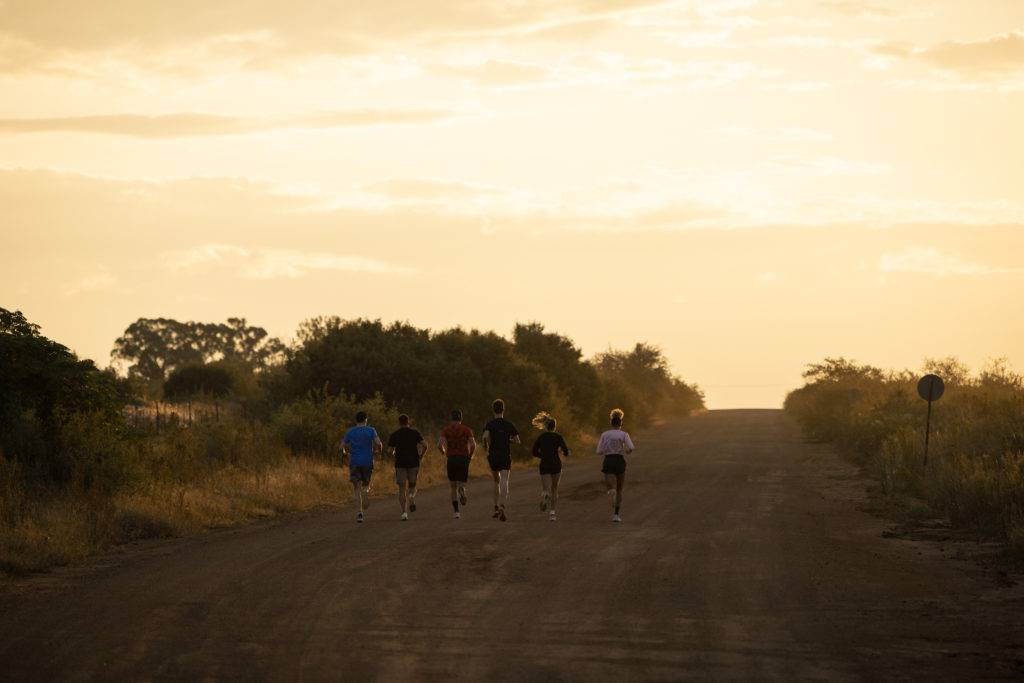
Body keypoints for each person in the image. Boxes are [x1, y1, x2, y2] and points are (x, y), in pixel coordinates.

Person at [341, 410, 383, 523]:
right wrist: (379, 451)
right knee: (366, 484)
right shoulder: (371, 430)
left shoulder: (350, 432)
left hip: (354, 461)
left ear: (356, 420)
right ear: (366, 419)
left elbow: (341, 448)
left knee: (356, 488)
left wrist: (345, 454)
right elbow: (379, 443)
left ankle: (359, 513)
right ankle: (366, 490)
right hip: (367, 461)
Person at [481, 398, 520, 521]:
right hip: (505, 455)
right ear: (503, 410)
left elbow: (485, 437)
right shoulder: (509, 424)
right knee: (504, 480)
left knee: (495, 481)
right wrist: (508, 440)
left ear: (493, 410)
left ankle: (495, 508)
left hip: (493, 455)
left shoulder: (490, 424)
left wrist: (485, 446)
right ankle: (503, 506)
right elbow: (518, 441)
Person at [387, 413, 428, 521]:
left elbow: (390, 451)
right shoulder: (415, 433)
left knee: (401, 489)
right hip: (413, 462)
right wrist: (421, 455)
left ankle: (404, 513)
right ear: (408, 422)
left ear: (399, 423)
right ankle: (411, 496)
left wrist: (394, 453)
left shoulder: (395, 434)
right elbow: (425, 445)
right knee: (413, 486)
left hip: (400, 463)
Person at [596, 408, 634, 523]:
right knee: (620, 488)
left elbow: (598, 451)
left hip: (608, 460)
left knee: (609, 485)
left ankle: (610, 491)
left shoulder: (605, 434)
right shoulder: (624, 434)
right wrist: (627, 451)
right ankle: (616, 515)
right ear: (620, 424)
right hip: (619, 460)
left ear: (611, 423)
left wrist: (606, 450)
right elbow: (631, 447)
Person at [531, 412, 570, 521]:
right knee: (555, 489)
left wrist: (542, 455)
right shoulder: (558, 437)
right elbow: (565, 450)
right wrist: (566, 453)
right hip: (556, 464)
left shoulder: (541, 437)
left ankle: (545, 495)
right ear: (555, 426)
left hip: (544, 464)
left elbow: (534, 452)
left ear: (546, 426)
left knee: (546, 489)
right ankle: (552, 513)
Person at [438, 409, 476, 519]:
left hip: (452, 458)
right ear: (461, 419)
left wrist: (443, 451)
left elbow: (439, 444)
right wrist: (470, 455)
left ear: (451, 419)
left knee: (453, 486)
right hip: (463, 458)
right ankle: (462, 490)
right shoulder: (467, 429)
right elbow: (473, 445)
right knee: (462, 482)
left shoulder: (446, 430)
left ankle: (456, 512)